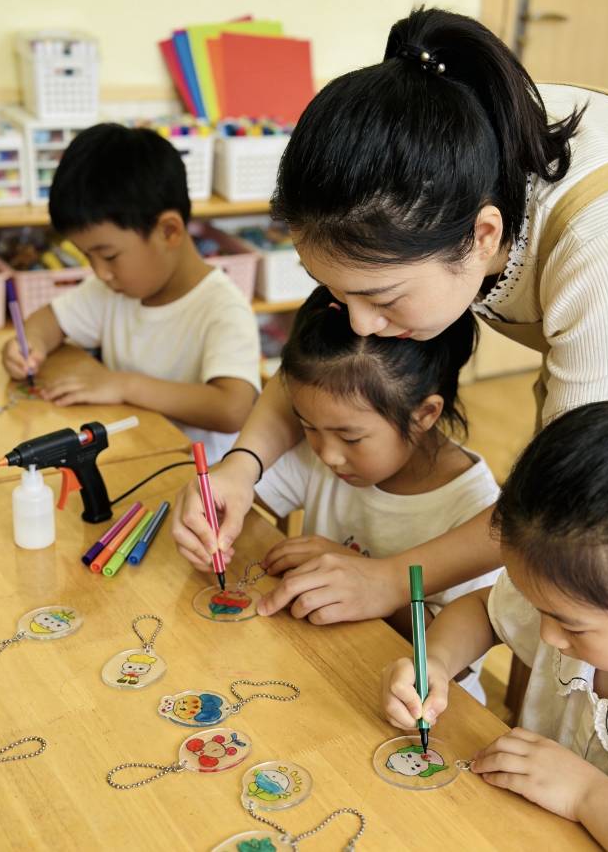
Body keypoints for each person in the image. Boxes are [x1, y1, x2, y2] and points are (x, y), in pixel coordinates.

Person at [172, 8, 608, 622]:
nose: (358, 325)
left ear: (485, 236)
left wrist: (389, 581)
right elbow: (318, 367)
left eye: (382, 298)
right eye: (333, 292)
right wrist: (240, 467)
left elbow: (566, 492)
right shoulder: (447, 169)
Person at [193, 286, 501, 696]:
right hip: (317, 673)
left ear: (425, 414)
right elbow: (241, 501)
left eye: (351, 438)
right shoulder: (320, 454)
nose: (329, 455)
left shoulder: (477, 511)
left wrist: (370, 581)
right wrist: (211, 505)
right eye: (307, 426)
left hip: (414, 705)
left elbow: (454, 666)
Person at [382, 401, 608, 849]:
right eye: (537, 607)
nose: (547, 636)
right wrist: (434, 661)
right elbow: (482, 610)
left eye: (572, 626)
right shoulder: (577, 603)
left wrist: (588, 794)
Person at [2, 123, 260, 460]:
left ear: (169, 231)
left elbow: (232, 409)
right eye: (87, 256)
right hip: (130, 455)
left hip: (196, 483)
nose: (99, 271)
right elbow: (49, 320)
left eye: (108, 255)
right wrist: (28, 345)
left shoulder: (222, 308)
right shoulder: (111, 289)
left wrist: (123, 384)